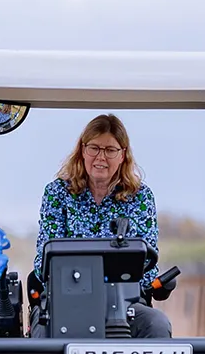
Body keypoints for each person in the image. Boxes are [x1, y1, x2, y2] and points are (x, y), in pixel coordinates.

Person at [30, 114, 172, 338]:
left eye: (110, 150)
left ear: (123, 154)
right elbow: (43, 261)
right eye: (94, 148)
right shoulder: (57, 193)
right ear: (82, 150)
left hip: (125, 303)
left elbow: (146, 263)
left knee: (156, 323)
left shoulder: (140, 197)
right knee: (43, 328)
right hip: (68, 300)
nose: (100, 157)